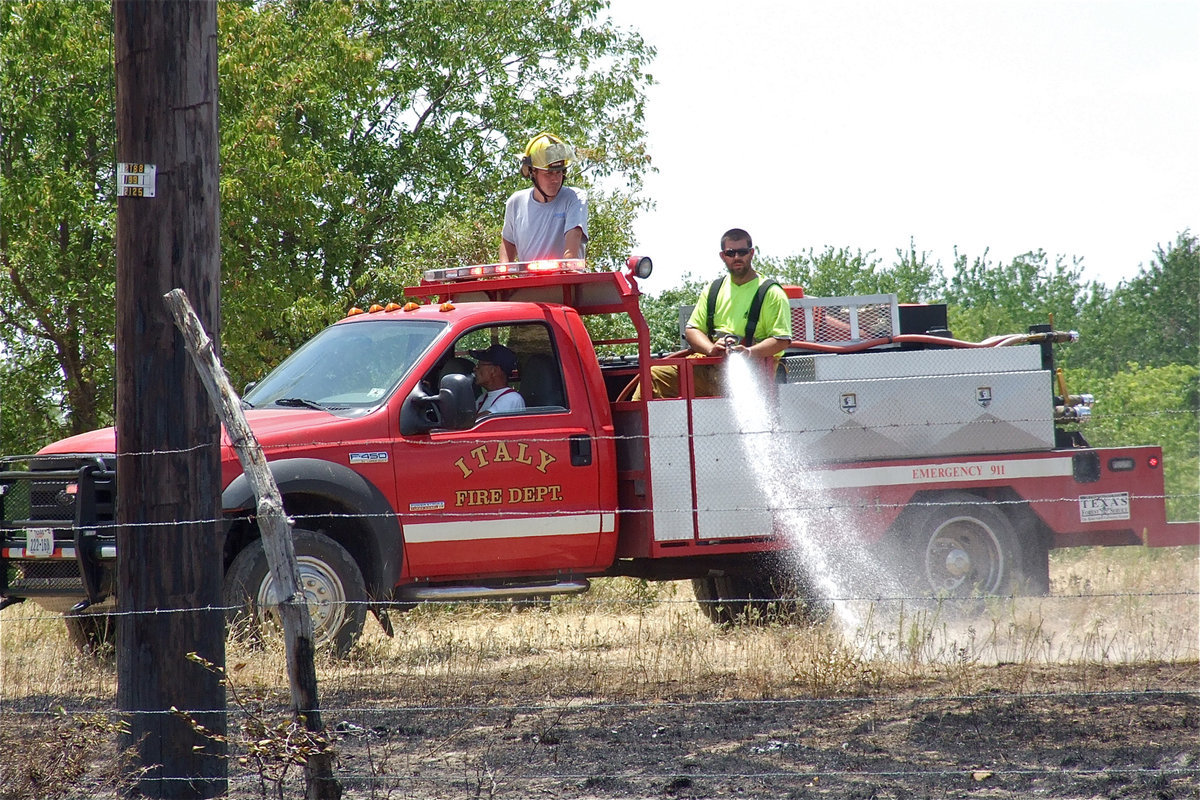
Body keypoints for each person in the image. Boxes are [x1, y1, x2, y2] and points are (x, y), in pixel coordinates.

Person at [633, 228, 793, 399]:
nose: (737, 257)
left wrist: (748, 352)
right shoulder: (714, 290)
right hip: (710, 367)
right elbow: (692, 330)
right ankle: (638, 426)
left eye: (742, 252)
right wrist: (711, 349)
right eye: (730, 253)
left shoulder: (770, 293)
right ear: (722, 256)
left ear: (751, 253)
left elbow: (781, 340)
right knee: (653, 376)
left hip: (754, 373)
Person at [500, 133, 588, 263]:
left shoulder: (574, 197)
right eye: (549, 173)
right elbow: (507, 244)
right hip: (529, 282)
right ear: (532, 172)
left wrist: (567, 269)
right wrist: (504, 278)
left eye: (559, 172)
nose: (555, 179)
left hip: (566, 281)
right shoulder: (516, 203)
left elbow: (574, 236)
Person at [469, 344, 526, 416]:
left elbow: (480, 421)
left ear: (494, 371)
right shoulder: (483, 397)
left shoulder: (512, 398)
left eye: (479, 365)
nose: (475, 369)